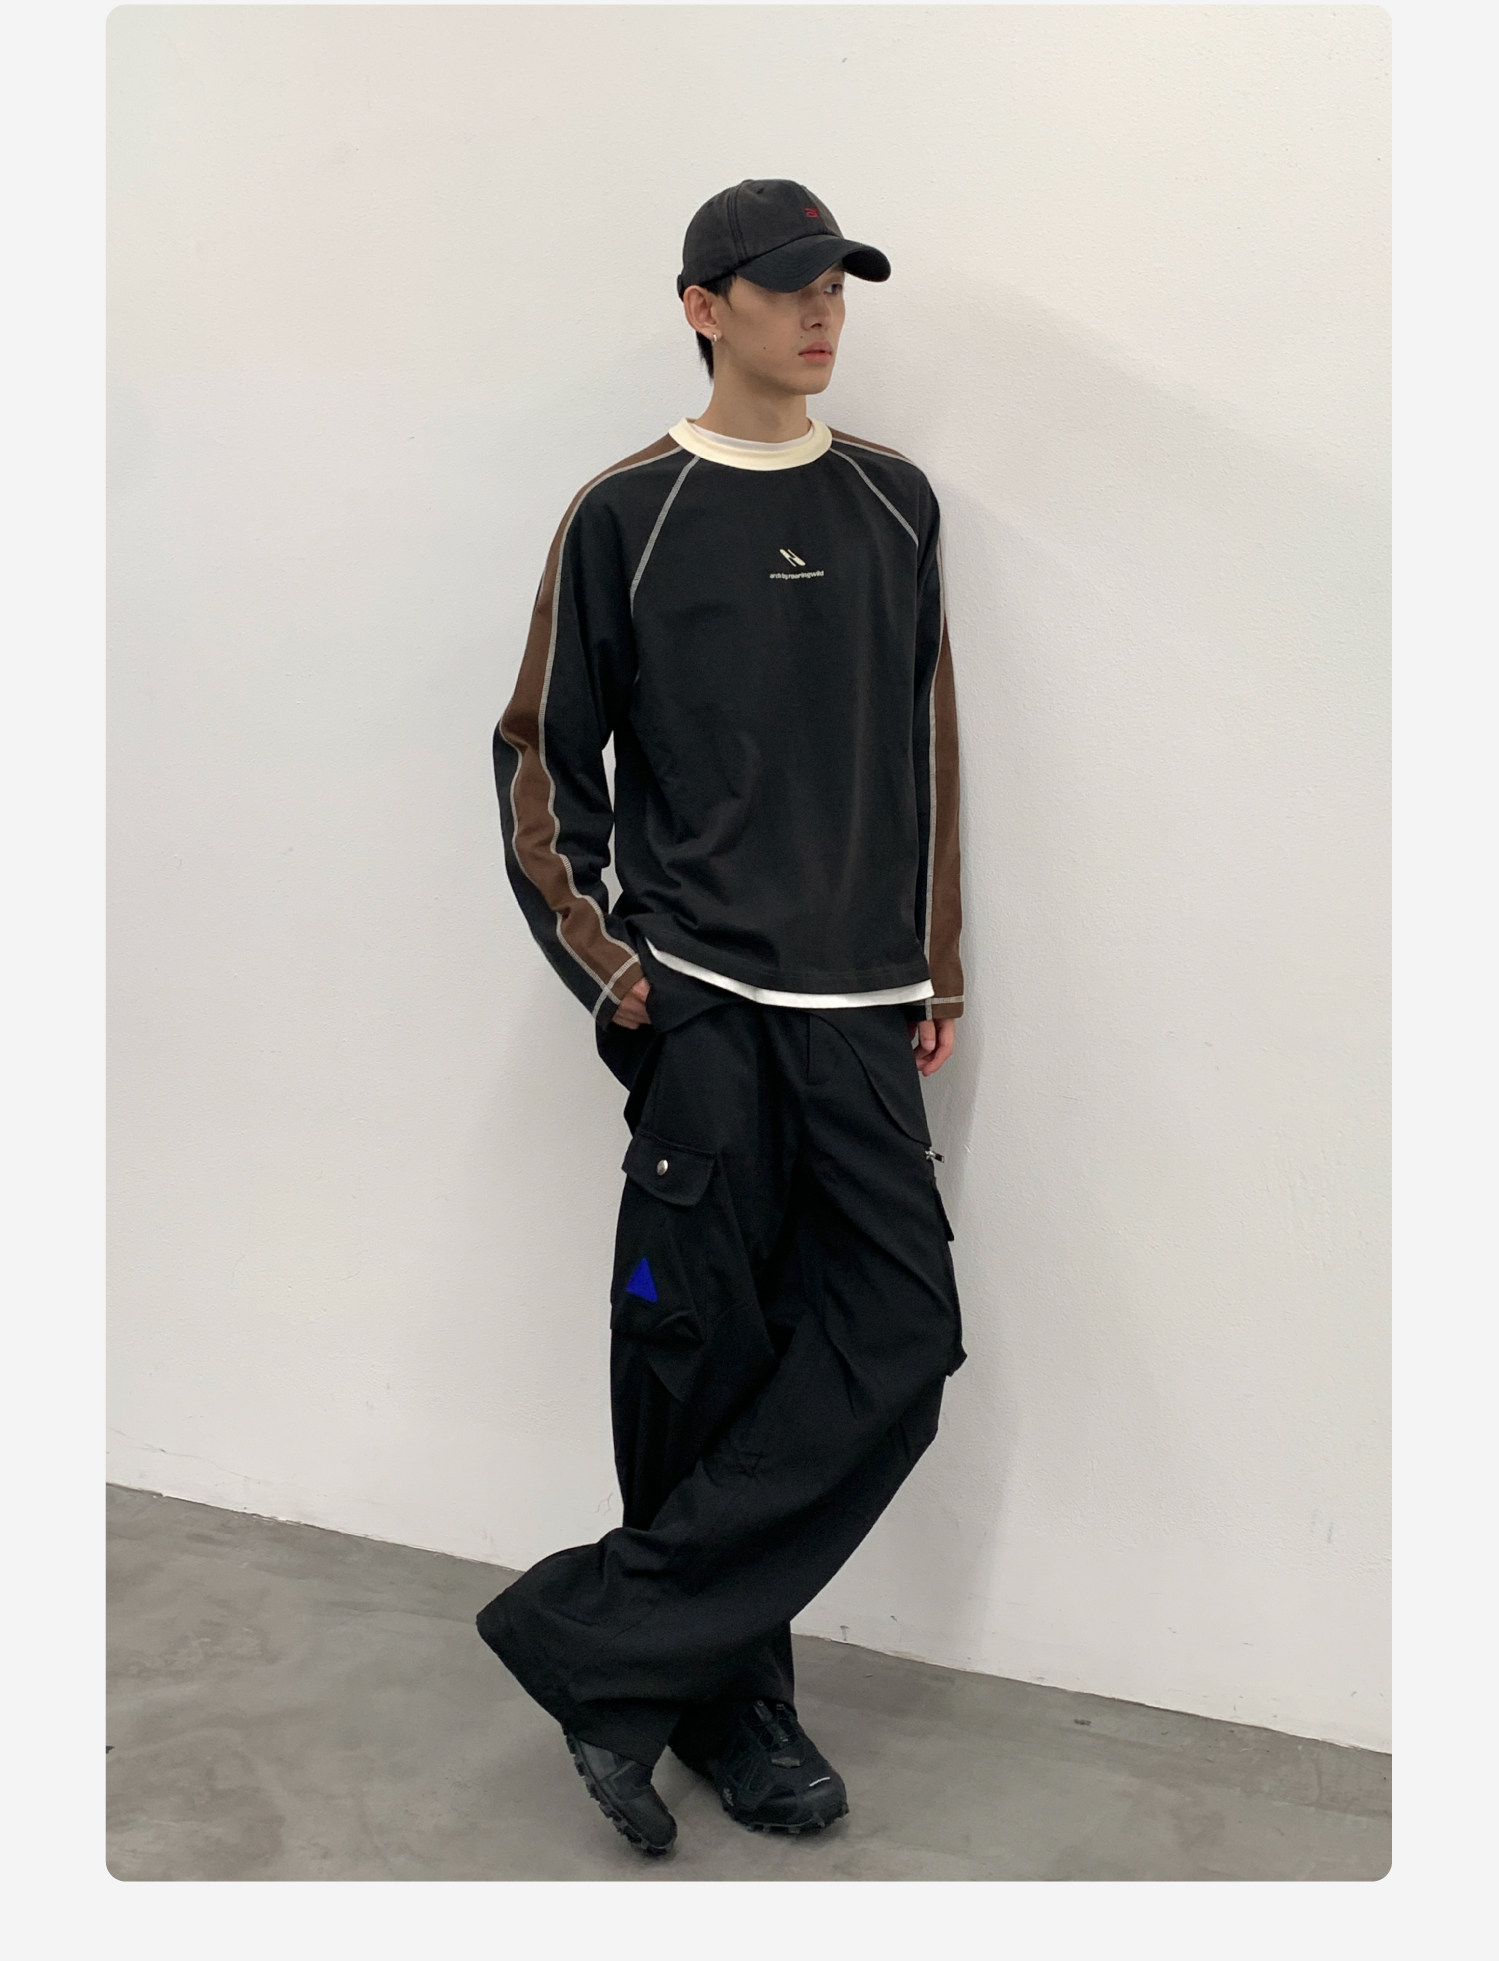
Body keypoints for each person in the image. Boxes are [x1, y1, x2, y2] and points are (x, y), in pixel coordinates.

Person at [476, 178, 966, 1857]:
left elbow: (927, 753)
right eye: (786, 286)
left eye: (839, 286)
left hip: (858, 1008)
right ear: (703, 305)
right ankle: (735, 1705)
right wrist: (620, 974)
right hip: (707, 1009)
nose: (822, 312)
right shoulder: (630, 511)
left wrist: (936, 968)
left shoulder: (895, 502)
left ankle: (598, 1638)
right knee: (696, 1359)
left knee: (901, 1339)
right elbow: (542, 757)